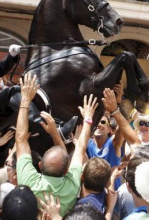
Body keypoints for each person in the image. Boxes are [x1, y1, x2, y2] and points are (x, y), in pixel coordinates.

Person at [14, 73, 95, 216]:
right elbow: (81, 148)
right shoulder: (72, 186)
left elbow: (20, 139)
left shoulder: (29, 181)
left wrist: (25, 100)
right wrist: (88, 119)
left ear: (39, 165)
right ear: (66, 171)